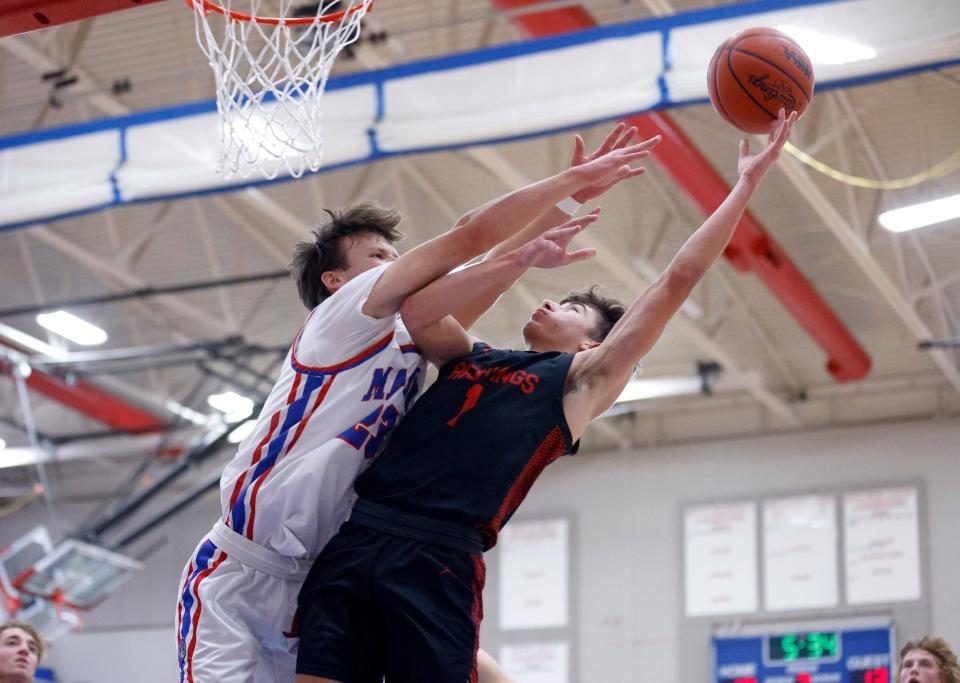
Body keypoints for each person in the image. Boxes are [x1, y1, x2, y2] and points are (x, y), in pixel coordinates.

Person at [294, 109, 798, 683]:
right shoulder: (472, 354)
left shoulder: (582, 382)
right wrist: (540, 230)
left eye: (571, 309)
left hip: (436, 560)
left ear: (592, 343)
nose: (551, 304)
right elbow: (421, 308)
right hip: (361, 534)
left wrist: (745, 186)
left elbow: (677, 278)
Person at [176, 124, 659, 683]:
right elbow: (471, 236)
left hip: (318, 575)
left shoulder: (414, 332)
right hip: (241, 567)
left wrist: (567, 207)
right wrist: (570, 180)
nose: (397, 262)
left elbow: (493, 266)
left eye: (395, 255)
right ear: (336, 281)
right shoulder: (339, 320)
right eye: (379, 256)